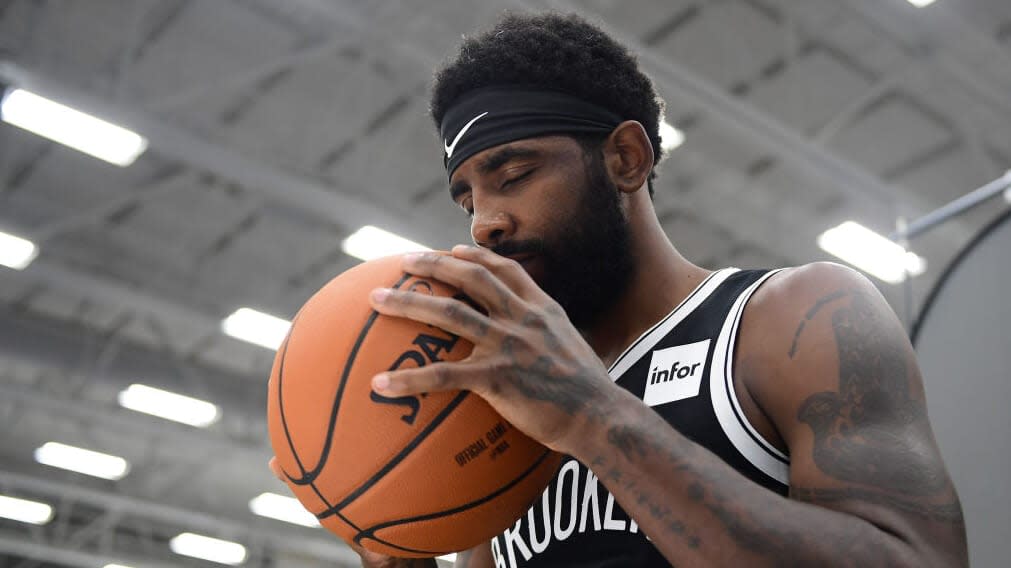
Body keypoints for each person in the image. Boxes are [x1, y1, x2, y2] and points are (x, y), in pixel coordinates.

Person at [273, 12, 968, 567]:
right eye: (466, 200)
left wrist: (596, 420)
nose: (485, 222)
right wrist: (396, 549)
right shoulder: (494, 419)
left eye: (512, 174)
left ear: (625, 159)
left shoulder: (793, 317)